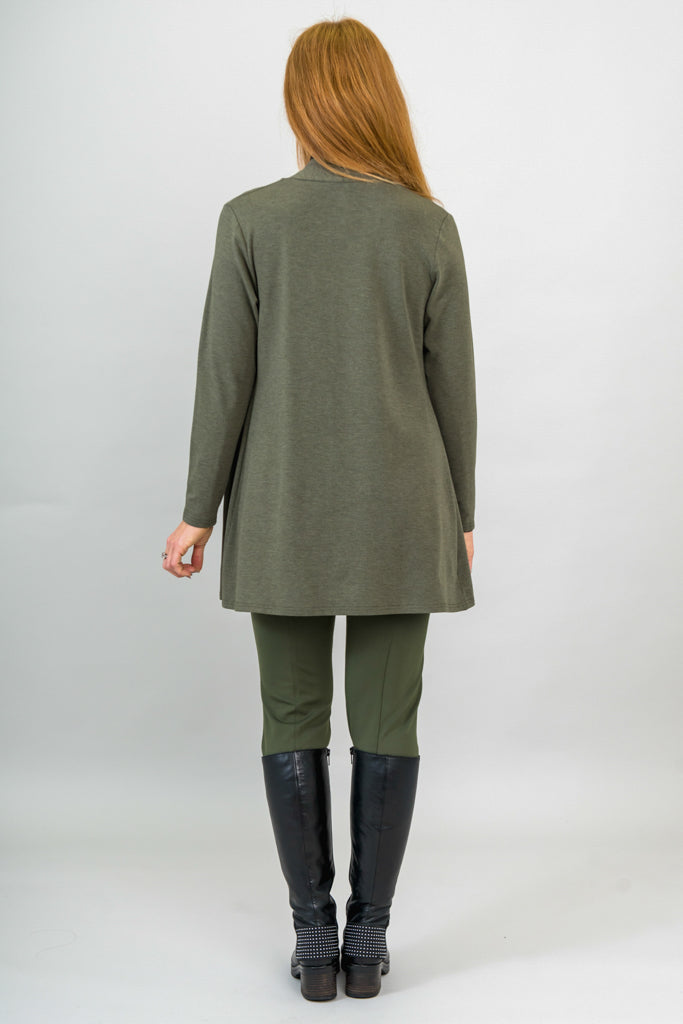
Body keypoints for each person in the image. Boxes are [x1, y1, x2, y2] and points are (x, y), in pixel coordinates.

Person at [162, 16, 477, 1002]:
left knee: (289, 715)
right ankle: (366, 938)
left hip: (283, 506)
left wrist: (198, 511)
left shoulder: (251, 220)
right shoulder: (426, 226)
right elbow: (453, 389)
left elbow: (224, 377)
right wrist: (461, 513)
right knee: (389, 719)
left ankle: (313, 936)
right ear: (379, 101)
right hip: (403, 510)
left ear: (302, 103)